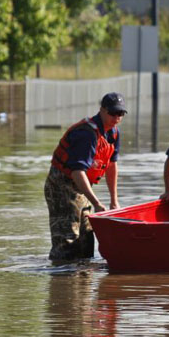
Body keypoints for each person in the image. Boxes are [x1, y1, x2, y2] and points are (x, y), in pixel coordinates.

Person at [44, 92, 126, 261]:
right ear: (102, 110)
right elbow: (77, 172)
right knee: (67, 241)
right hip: (62, 185)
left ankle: (83, 284)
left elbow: (111, 165)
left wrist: (114, 200)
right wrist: (96, 203)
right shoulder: (87, 134)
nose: (116, 118)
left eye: (121, 114)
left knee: (87, 239)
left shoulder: (113, 133)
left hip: (80, 186)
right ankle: (62, 281)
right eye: (113, 113)